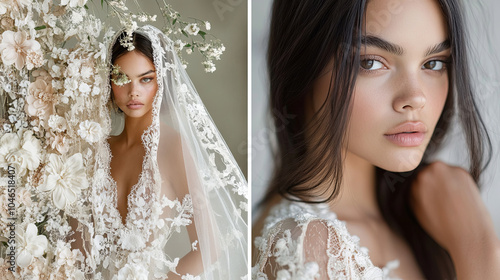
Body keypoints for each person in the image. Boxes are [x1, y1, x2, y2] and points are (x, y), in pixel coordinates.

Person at [252, 0, 500, 279]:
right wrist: (479, 250)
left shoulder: (423, 218)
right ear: (302, 64)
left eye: (433, 63)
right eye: (371, 62)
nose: (416, 98)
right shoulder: (305, 244)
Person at [89, 25, 248, 279]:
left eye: (146, 78)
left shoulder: (174, 146)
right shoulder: (98, 149)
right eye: (121, 78)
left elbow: (210, 245)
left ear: (160, 80)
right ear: (108, 80)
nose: (134, 91)